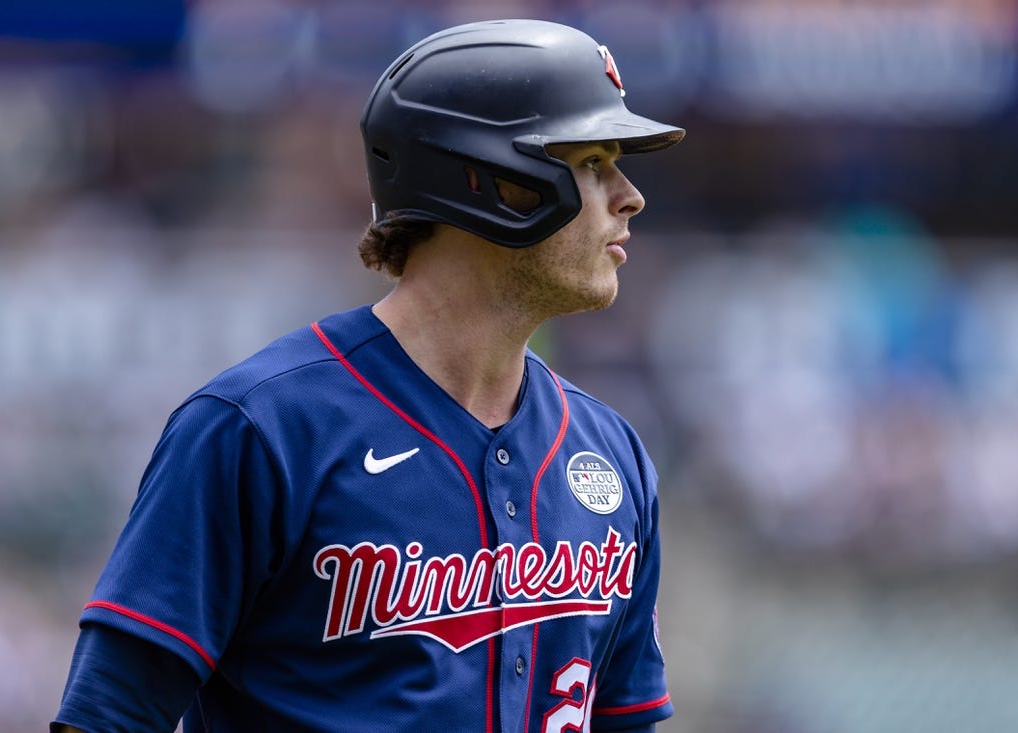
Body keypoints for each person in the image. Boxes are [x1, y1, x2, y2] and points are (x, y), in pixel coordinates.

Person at [52, 18, 684, 733]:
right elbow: (108, 715)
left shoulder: (613, 454)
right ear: (487, 179)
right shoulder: (260, 427)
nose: (627, 195)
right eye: (593, 160)